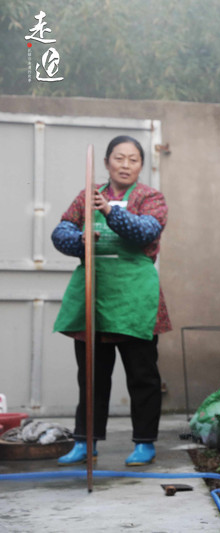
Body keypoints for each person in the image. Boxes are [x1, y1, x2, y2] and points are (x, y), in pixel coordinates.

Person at [51, 135, 171, 466]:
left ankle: (144, 443)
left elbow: (146, 230)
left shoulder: (152, 198)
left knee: (143, 376)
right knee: (91, 375)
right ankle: (85, 442)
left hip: (134, 299)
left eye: (133, 160)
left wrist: (110, 213)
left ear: (141, 166)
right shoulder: (86, 196)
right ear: (106, 163)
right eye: (119, 158)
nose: (126, 165)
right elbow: (60, 231)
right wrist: (80, 238)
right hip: (93, 295)